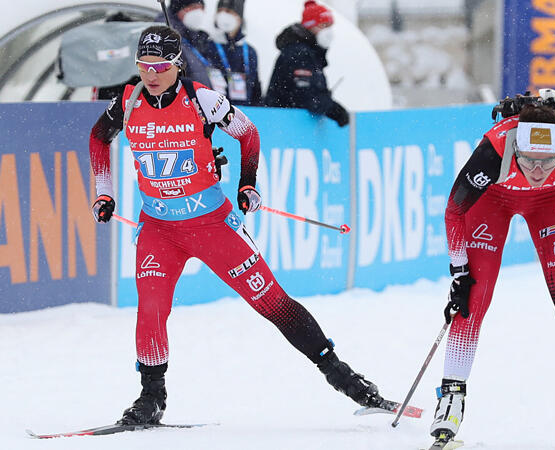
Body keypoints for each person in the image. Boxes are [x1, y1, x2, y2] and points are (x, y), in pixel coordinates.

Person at [88, 25, 390, 426]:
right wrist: (104, 193)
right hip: (160, 230)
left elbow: (247, 134)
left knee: (271, 302)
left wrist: (247, 183)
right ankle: (151, 396)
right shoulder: (128, 102)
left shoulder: (202, 99)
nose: (151, 73)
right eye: (143, 65)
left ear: (177, 64)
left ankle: (344, 377)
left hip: (212, 225)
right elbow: (98, 138)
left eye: (159, 65)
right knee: (151, 309)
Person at [431, 92, 555, 449]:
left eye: (547, 162)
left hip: (549, 203)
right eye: (529, 161)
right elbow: (454, 211)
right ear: (517, 149)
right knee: (472, 299)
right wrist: (459, 271)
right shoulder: (494, 149)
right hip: (492, 201)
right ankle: (451, 401)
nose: (538, 171)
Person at [264, 0, 348, 127]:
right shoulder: (299, 53)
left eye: (330, 26)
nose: (328, 31)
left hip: (289, 125)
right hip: (285, 125)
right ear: (310, 26)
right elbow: (307, 97)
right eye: (323, 25)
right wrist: (335, 111)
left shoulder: (311, 53)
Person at [206, 0, 262, 106]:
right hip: (215, 110)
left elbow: (256, 91)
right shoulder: (207, 47)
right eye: (220, 11)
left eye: (228, 11)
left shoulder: (250, 51)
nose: (223, 15)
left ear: (239, 18)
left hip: (244, 111)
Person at [157, 0, 213, 87]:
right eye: (194, 7)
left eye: (201, 8)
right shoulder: (165, 36)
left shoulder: (197, 37)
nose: (198, 13)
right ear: (179, 9)